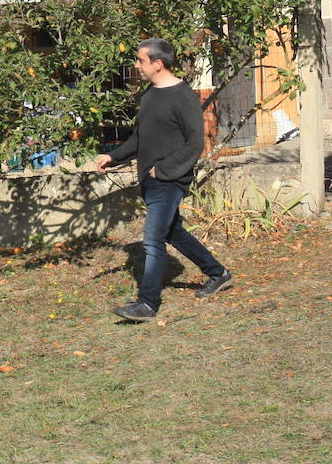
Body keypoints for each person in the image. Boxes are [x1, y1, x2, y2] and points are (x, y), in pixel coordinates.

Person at [95, 38, 233, 321]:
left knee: (152, 239)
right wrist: (114, 156)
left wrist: (165, 170)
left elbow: (195, 143)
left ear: (158, 64)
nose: (136, 65)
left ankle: (147, 304)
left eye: (141, 61)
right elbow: (141, 137)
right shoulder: (151, 94)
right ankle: (218, 273)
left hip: (169, 180)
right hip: (151, 178)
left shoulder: (183, 97)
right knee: (173, 233)